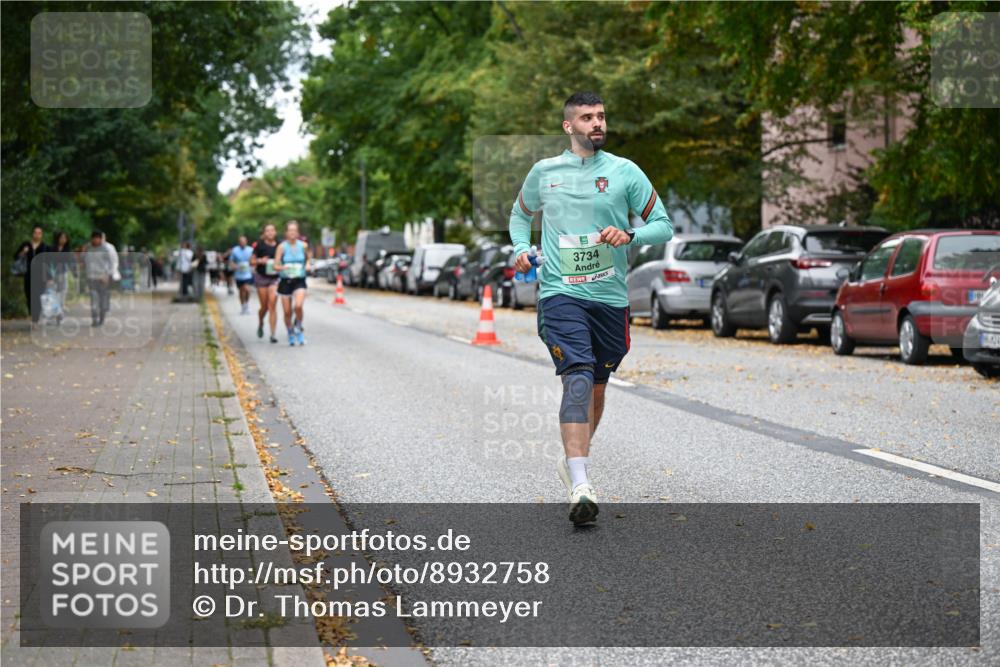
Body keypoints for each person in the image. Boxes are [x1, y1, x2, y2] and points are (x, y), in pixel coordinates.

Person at [509, 91, 673, 525]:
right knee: (578, 375)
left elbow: (663, 226)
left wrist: (629, 235)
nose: (597, 123)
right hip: (560, 293)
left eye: (600, 116)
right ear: (569, 126)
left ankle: (574, 459)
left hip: (610, 298)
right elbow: (519, 215)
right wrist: (521, 248)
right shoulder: (545, 172)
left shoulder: (625, 172)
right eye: (587, 118)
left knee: (597, 386)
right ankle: (581, 483)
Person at [274, 220, 310, 346]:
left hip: (299, 279)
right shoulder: (281, 247)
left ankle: (298, 328)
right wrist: (282, 267)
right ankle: (290, 331)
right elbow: (275, 265)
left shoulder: (303, 245)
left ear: (298, 232)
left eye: (294, 230)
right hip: (285, 281)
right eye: (290, 230)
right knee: (287, 311)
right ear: (286, 233)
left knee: (298, 306)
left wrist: (308, 265)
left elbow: (308, 259)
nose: (292, 233)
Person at [251, 223, 280, 343]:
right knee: (264, 307)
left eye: (272, 230)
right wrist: (260, 260)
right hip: (262, 277)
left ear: (275, 232)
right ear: (264, 233)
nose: (270, 233)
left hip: (274, 278)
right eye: (267, 231)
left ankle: (273, 334)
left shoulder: (279, 246)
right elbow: (251, 261)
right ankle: (261, 322)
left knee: (272, 304)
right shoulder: (259, 245)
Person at [14, 225, 48, 324]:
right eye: (35, 232)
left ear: (41, 235)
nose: (37, 235)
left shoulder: (44, 246)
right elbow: (15, 256)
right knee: (29, 296)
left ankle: (35, 319)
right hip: (28, 275)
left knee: (38, 297)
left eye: (39, 233)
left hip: (40, 276)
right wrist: (23, 252)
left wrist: (49, 277)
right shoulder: (26, 244)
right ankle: (33, 316)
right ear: (32, 233)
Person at [83, 230, 115, 326]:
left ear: (101, 239)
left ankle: (101, 317)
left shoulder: (105, 249)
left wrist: (107, 275)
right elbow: (83, 261)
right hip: (91, 278)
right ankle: (94, 319)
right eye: (94, 238)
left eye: (98, 238)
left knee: (102, 301)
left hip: (102, 278)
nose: (96, 240)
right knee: (93, 299)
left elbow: (111, 263)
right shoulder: (88, 248)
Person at [229, 235, 254, 315]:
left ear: (246, 242)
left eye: (244, 241)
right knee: (241, 290)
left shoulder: (251, 250)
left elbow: (254, 260)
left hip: (248, 273)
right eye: (241, 241)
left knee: (247, 289)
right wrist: (235, 266)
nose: (242, 243)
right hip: (239, 274)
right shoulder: (235, 250)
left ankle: (246, 303)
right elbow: (231, 261)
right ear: (239, 242)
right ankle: (243, 306)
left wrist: (253, 265)